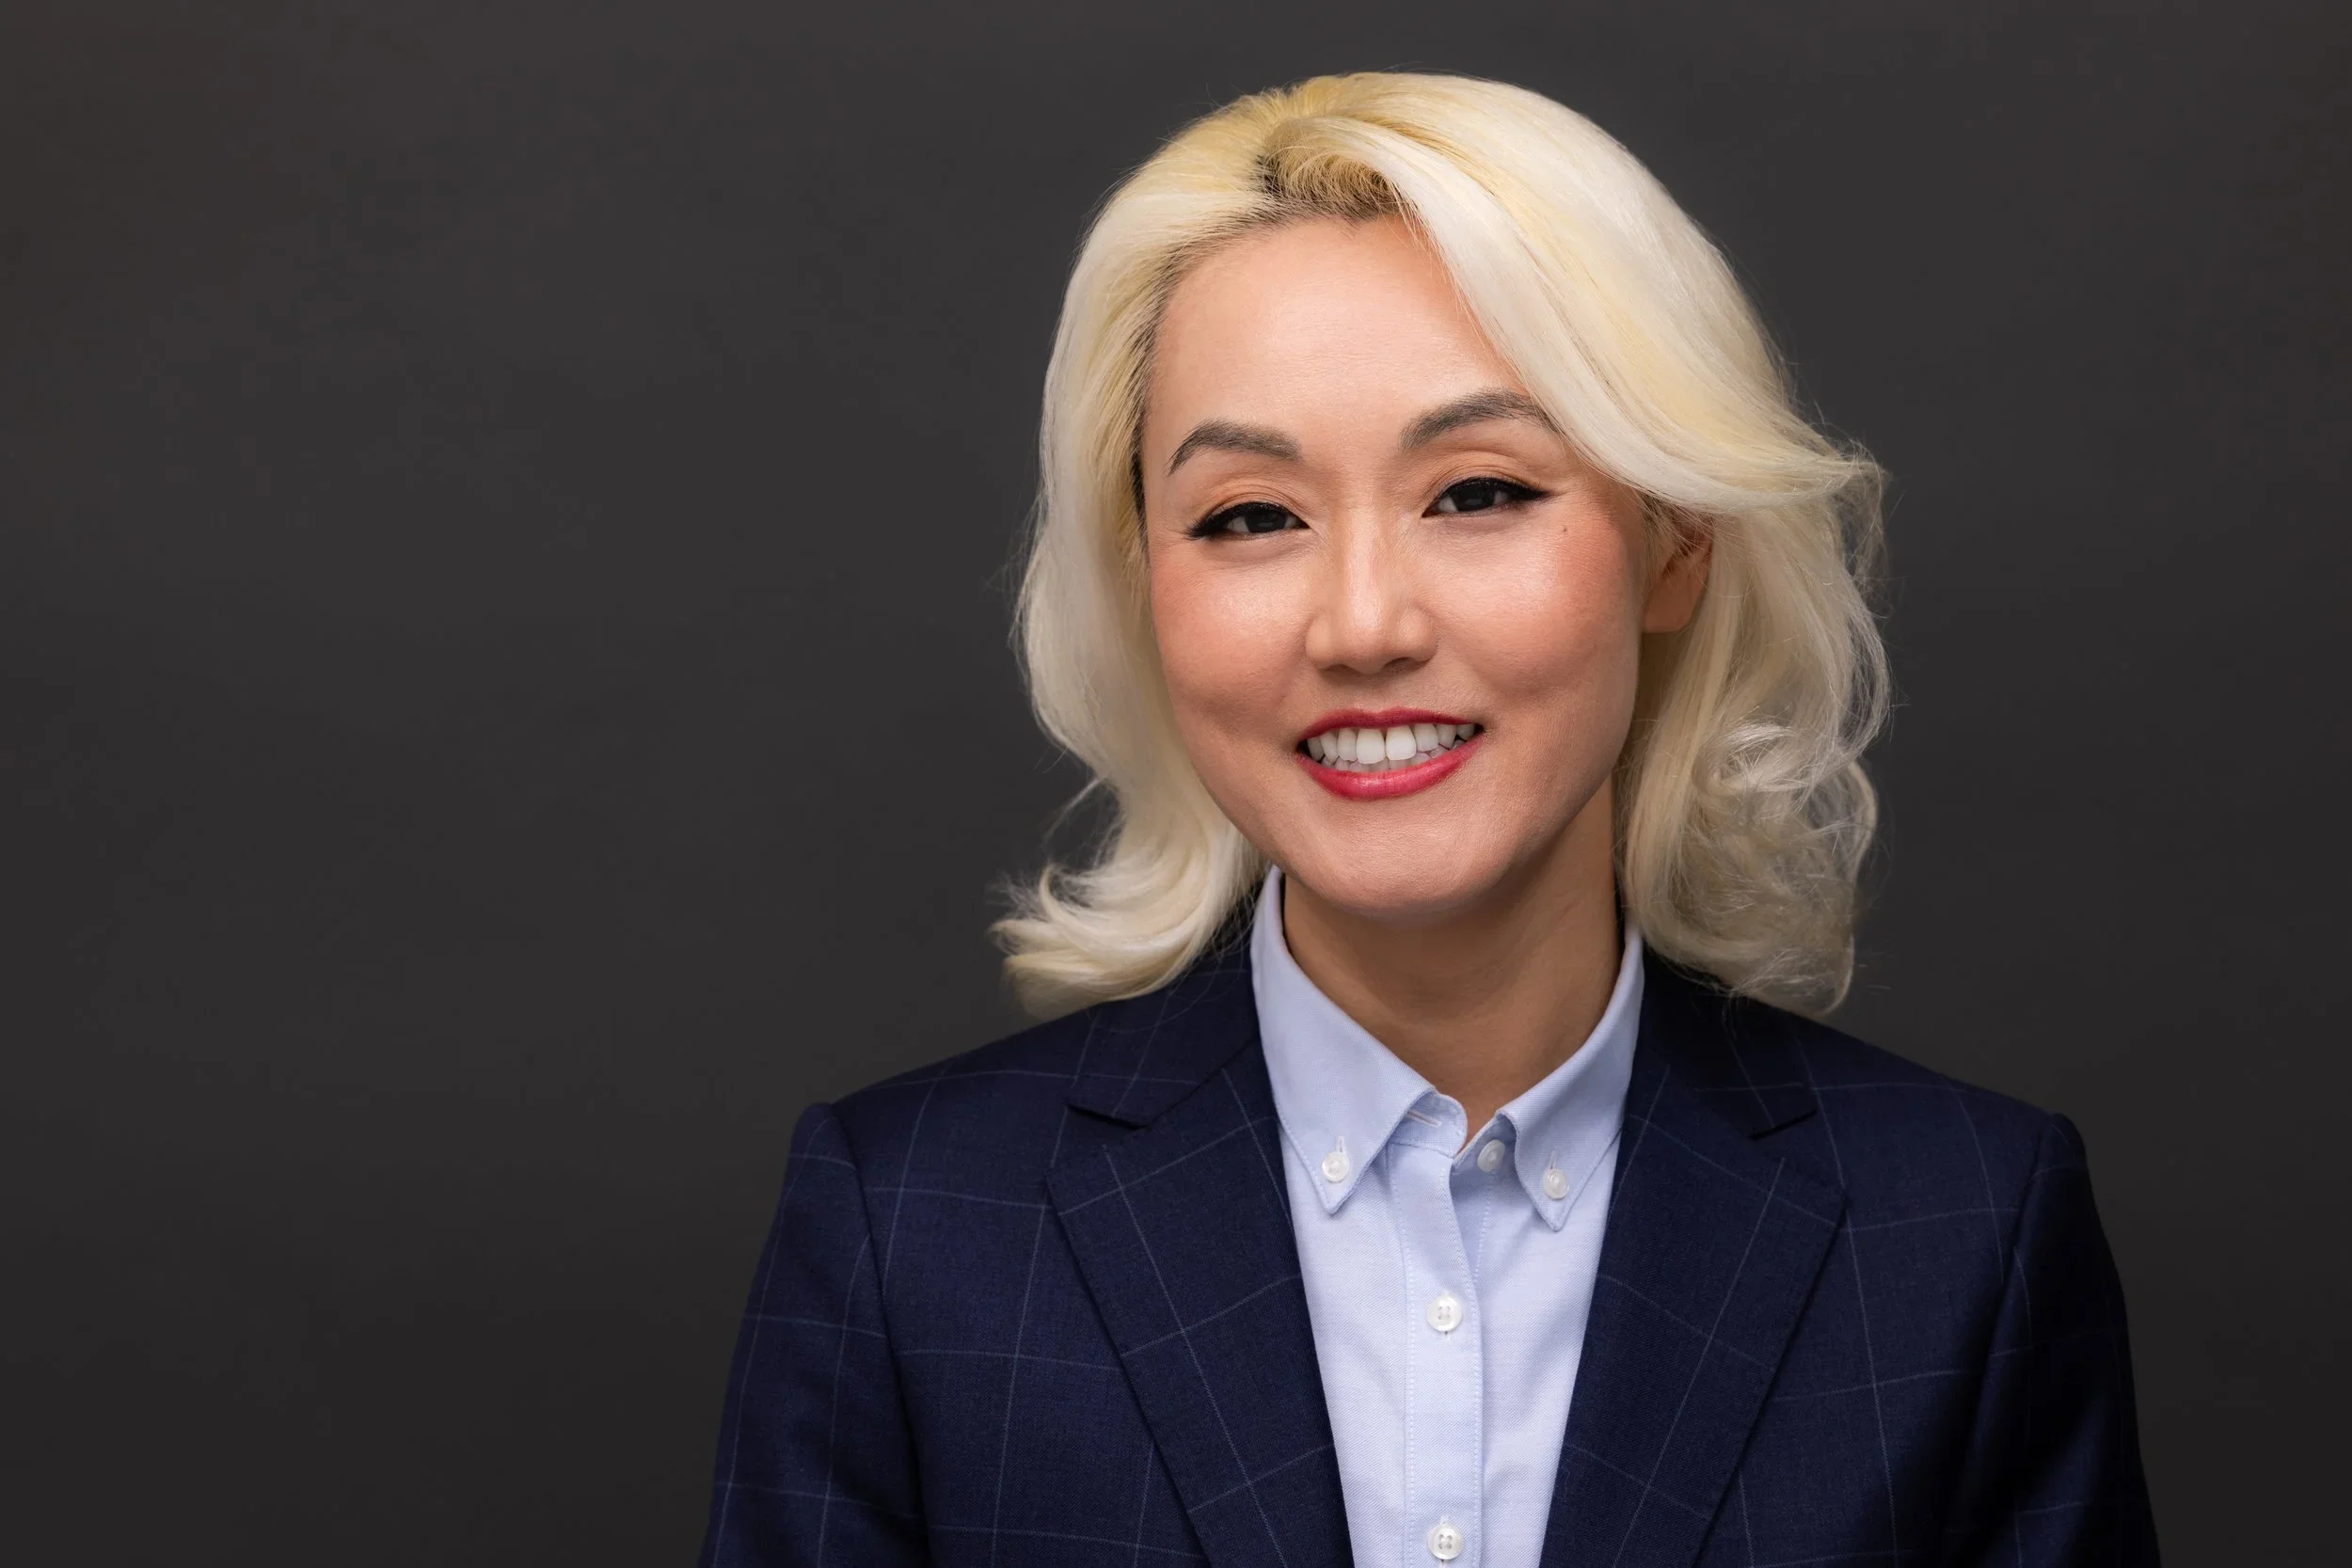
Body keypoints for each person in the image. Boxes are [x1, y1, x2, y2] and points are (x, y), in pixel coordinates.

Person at [695, 71, 2156, 1568]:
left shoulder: (1963, 1232)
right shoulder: (913, 1228)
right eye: (1251, 516)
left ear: (1674, 545)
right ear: (1147, 585)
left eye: (1475, 490)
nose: (1363, 622)